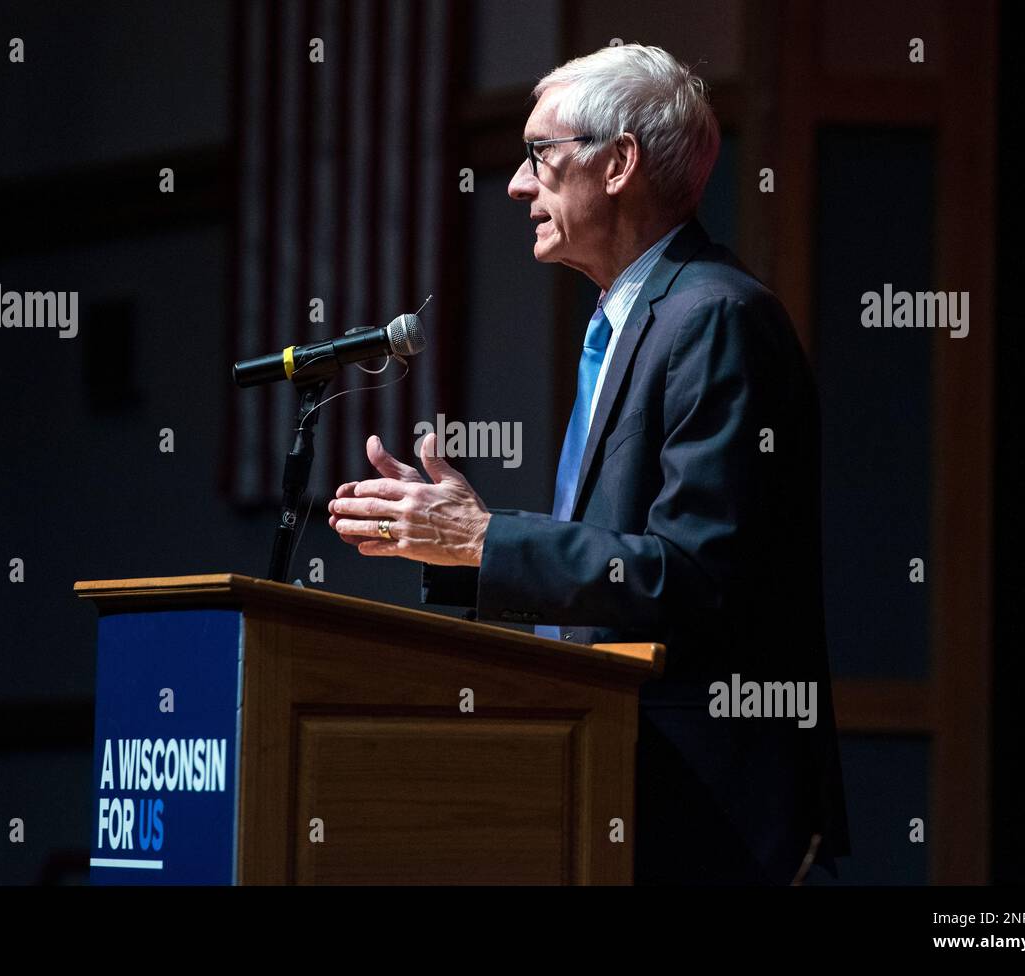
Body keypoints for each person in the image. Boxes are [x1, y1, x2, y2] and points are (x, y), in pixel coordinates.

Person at [328, 44, 848, 884]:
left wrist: (486, 541)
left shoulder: (714, 317)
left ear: (619, 164)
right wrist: (465, 551)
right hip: (618, 782)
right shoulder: (630, 318)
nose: (516, 183)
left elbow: (696, 576)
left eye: (540, 154)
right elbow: (613, 562)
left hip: (704, 811)